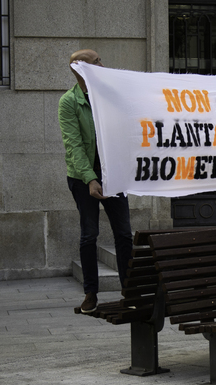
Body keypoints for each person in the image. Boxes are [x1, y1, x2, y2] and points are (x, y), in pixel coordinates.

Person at [58, 49, 133, 314]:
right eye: (97, 61)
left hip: (113, 174)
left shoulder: (109, 95)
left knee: (123, 232)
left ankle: (128, 290)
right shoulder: (69, 102)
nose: (103, 63)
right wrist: (90, 179)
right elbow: (74, 146)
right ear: (81, 68)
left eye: (102, 58)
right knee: (89, 234)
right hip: (82, 177)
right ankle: (91, 293)